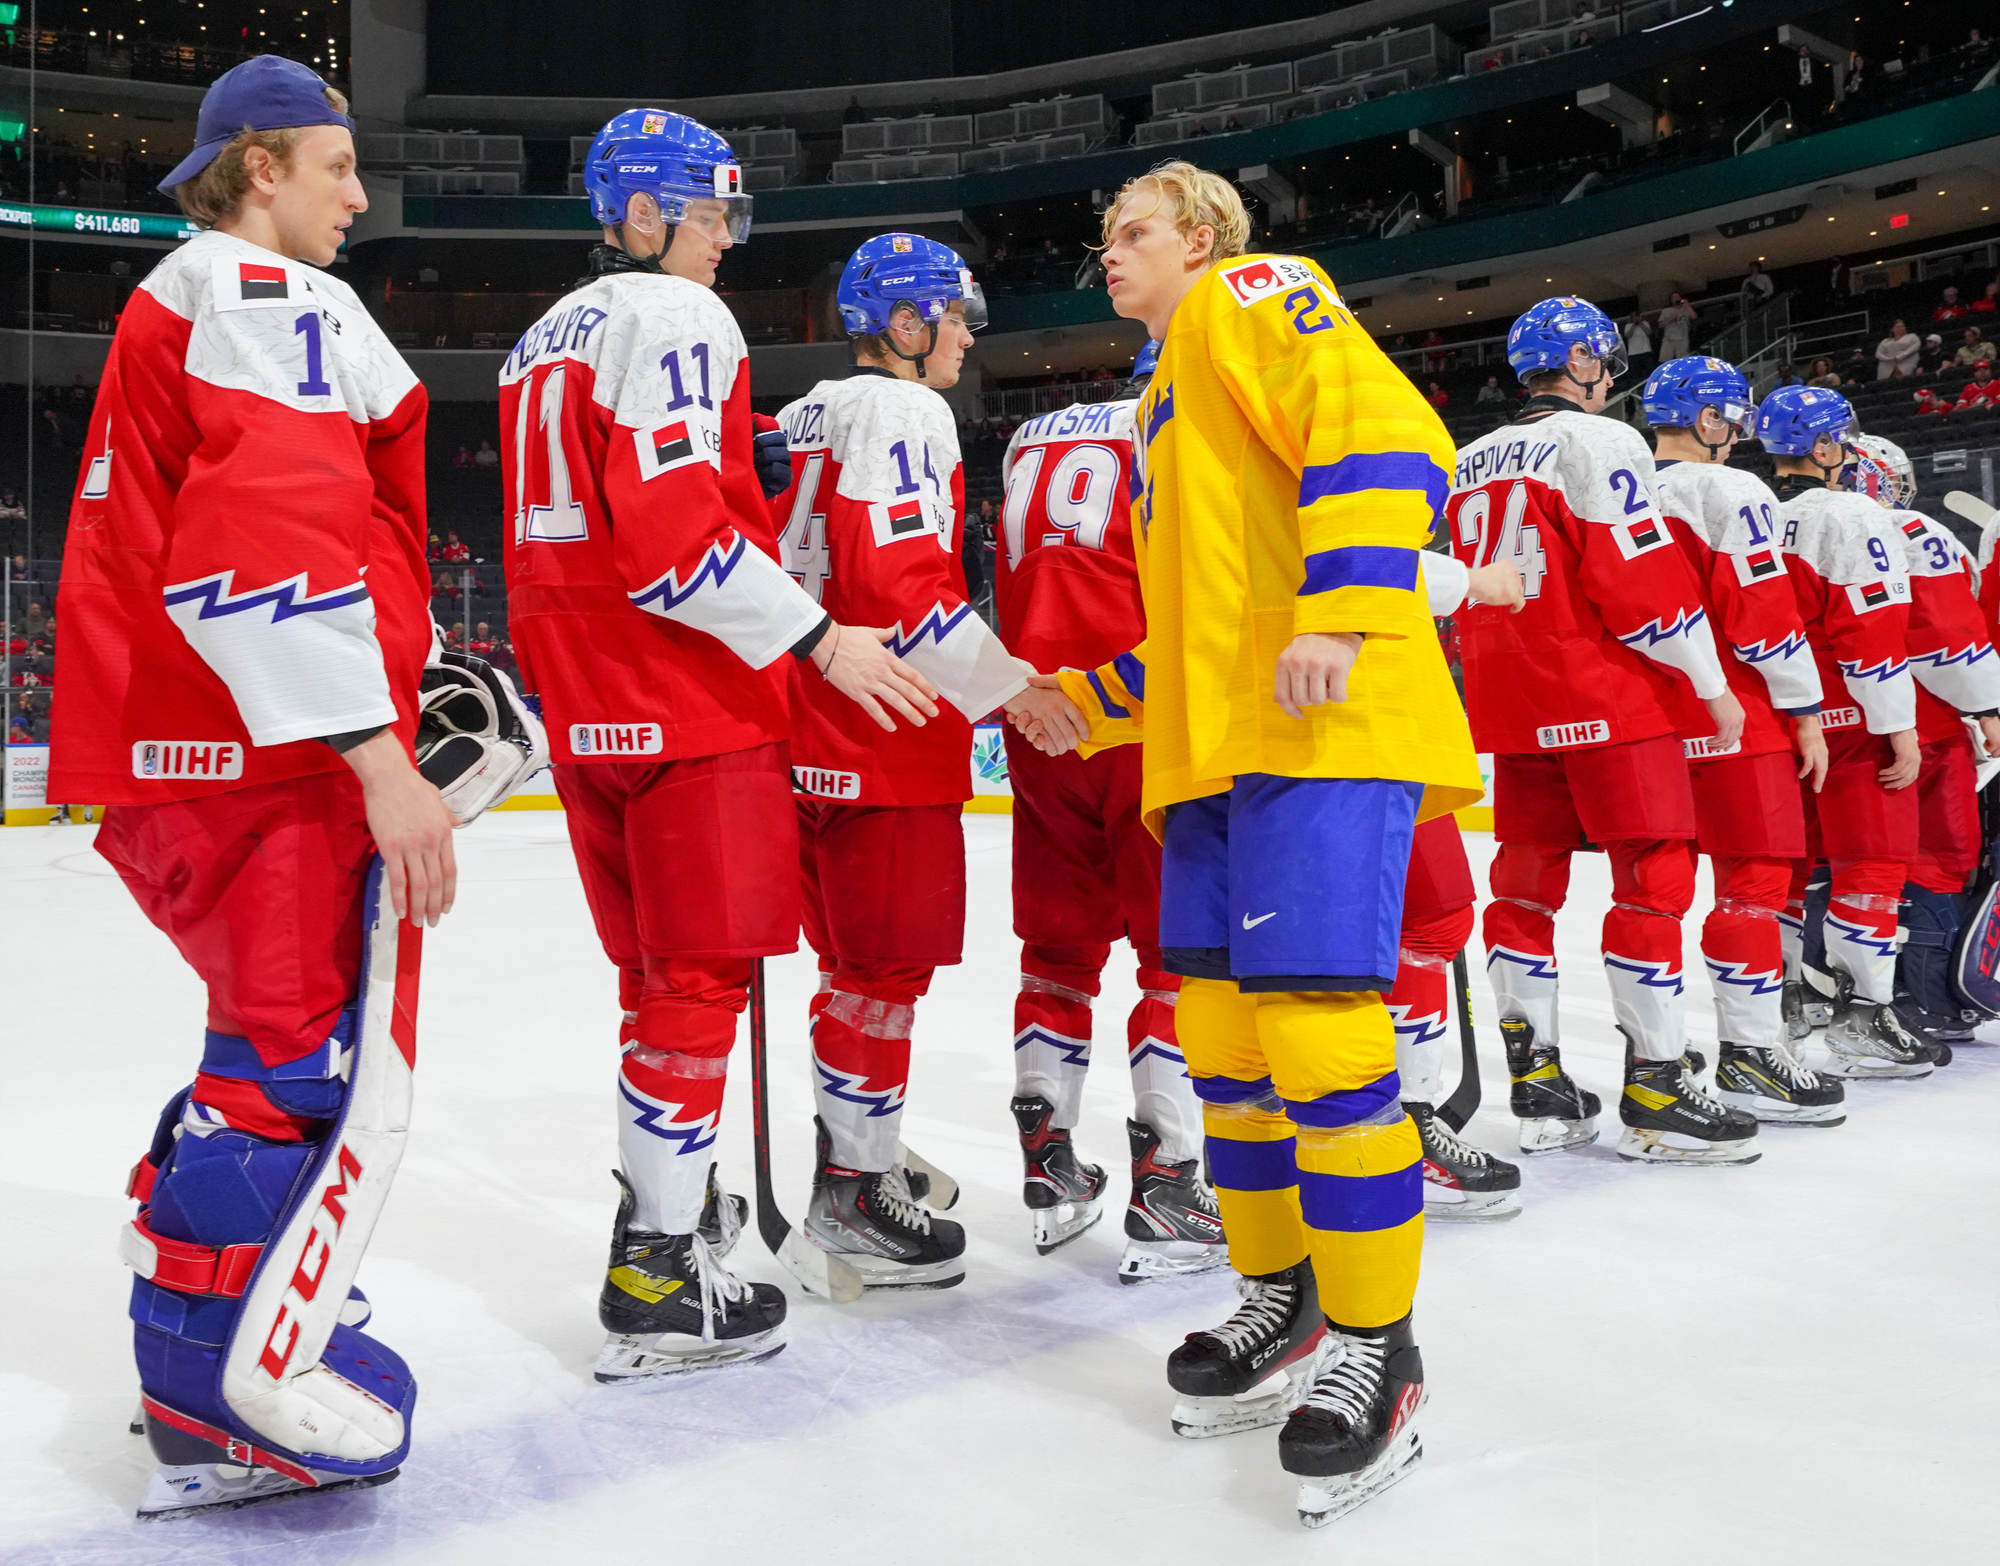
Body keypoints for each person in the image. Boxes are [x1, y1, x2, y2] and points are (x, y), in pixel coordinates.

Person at [45, 54, 490, 1517]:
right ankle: (210, 1391)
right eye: (336, 168)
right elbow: (263, 551)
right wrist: (379, 758)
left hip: (198, 747)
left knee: (259, 1053)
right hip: (262, 759)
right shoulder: (260, 297)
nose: (360, 197)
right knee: (294, 1071)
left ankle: (206, 1334)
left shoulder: (185, 298)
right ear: (258, 171)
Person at [1049, 159, 1483, 1526]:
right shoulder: (1162, 397)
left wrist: (1341, 606)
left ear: (1202, 235)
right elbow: (1199, 621)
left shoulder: (1254, 292)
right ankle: (1282, 1299)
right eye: (1104, 234)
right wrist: (1079, 705)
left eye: (1130, 230)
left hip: (1323, 734)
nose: (1106, 253)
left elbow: (1392, 431)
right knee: (1224, 1051)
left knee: (1316, 1037)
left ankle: (1378, 1344)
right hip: (1220, 757)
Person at [499, 111, 939, 1379]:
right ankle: (655, 1266)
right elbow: (677, 536)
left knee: (654, 979)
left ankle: (674, 1216)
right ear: (641, 216)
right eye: (707, 217)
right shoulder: (678, 319)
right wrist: (822, 642)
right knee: (696, 979)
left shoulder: (543, 334)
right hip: (688, 693)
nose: (724, 245)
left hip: (583, 698)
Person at [771, 232, 1077, 1290]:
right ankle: (854, 1188)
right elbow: (907, 593)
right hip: (885, 735)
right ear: (903, 325)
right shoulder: (904, 412)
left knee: (847, 969)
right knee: (881, 975)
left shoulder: (801, 412)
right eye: (952, 317)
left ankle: (850, 1153)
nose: (964, 337)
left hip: (803, 727)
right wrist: (1012, 691)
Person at [1448, 298, 1754, 1165]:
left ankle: (1538, 1081)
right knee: (1653, 877)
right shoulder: (1601, 440)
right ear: (1582, 361)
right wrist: (1709, 681)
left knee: (1521, 886)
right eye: (1605, 361)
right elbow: (1642, 582)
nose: (1612, 377)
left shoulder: (1469, 457)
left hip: (1512, 700)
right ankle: (1658, 1086)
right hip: (1607, 692)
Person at [991, 339, 1226, 1280]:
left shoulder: (1030, 437)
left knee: (1056, 956)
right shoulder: (1173, 428)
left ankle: (1049, 1165)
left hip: (1035, 716)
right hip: (1139, 717)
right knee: (1175, 961)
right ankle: (1167, 1182)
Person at [1643, 357, 1844, 1126]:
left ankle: (1655, 1061)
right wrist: (1806, 707)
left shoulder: (1625, 481)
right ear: (1708, 419)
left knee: (1652, 893)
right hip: (1741, 710)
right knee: (1753, 885)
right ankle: (1752, 1055)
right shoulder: (1729, 488)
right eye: (1730, 417)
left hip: (1656, 718)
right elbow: (1762, 611)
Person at [1757, 387, 1934, 1075]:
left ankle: (1787, 999)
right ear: (1825, 447)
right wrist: (1900, 725)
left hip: (1785, 719)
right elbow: (1871, 635)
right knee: (1872, 863)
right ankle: (1864, 1015)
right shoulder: (1856, 511)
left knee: (1785, 870)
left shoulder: (1761, 515)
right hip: (1854, 718)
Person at [1848, 434, 2000, 1052]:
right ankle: (1925, 997)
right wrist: (1987, 704)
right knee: (1938, 854)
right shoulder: (1911, 530)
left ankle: (1826, 995)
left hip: (1830, 725)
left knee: (1839, 859)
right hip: (1923, 726)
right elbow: (1947, 635)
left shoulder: (1787, 522)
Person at [1656, 292, 1696, 360]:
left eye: (1678, 297)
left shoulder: (1686, 309)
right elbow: (1660, 325)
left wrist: (1688, 305)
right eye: (1674, 297)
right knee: (1665, 360)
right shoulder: (1666, 310)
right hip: (1669, 340)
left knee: (1683, 361)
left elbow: (1694, 316)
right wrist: (1671, 319)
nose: (1676, 298)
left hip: (1683, 339)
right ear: (1671, 300)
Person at [1622, 313, 1654, 380]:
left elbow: (1649, 332)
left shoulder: (1645, 323)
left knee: (1650, 370)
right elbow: (1627, 336)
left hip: (1645, 350)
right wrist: (1634, 325)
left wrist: (1640, 324)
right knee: (1635, 372)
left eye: (1638, 317)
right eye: (1635, 317)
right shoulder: (1628, 325)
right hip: (1633, 352)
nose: (1636, 318)